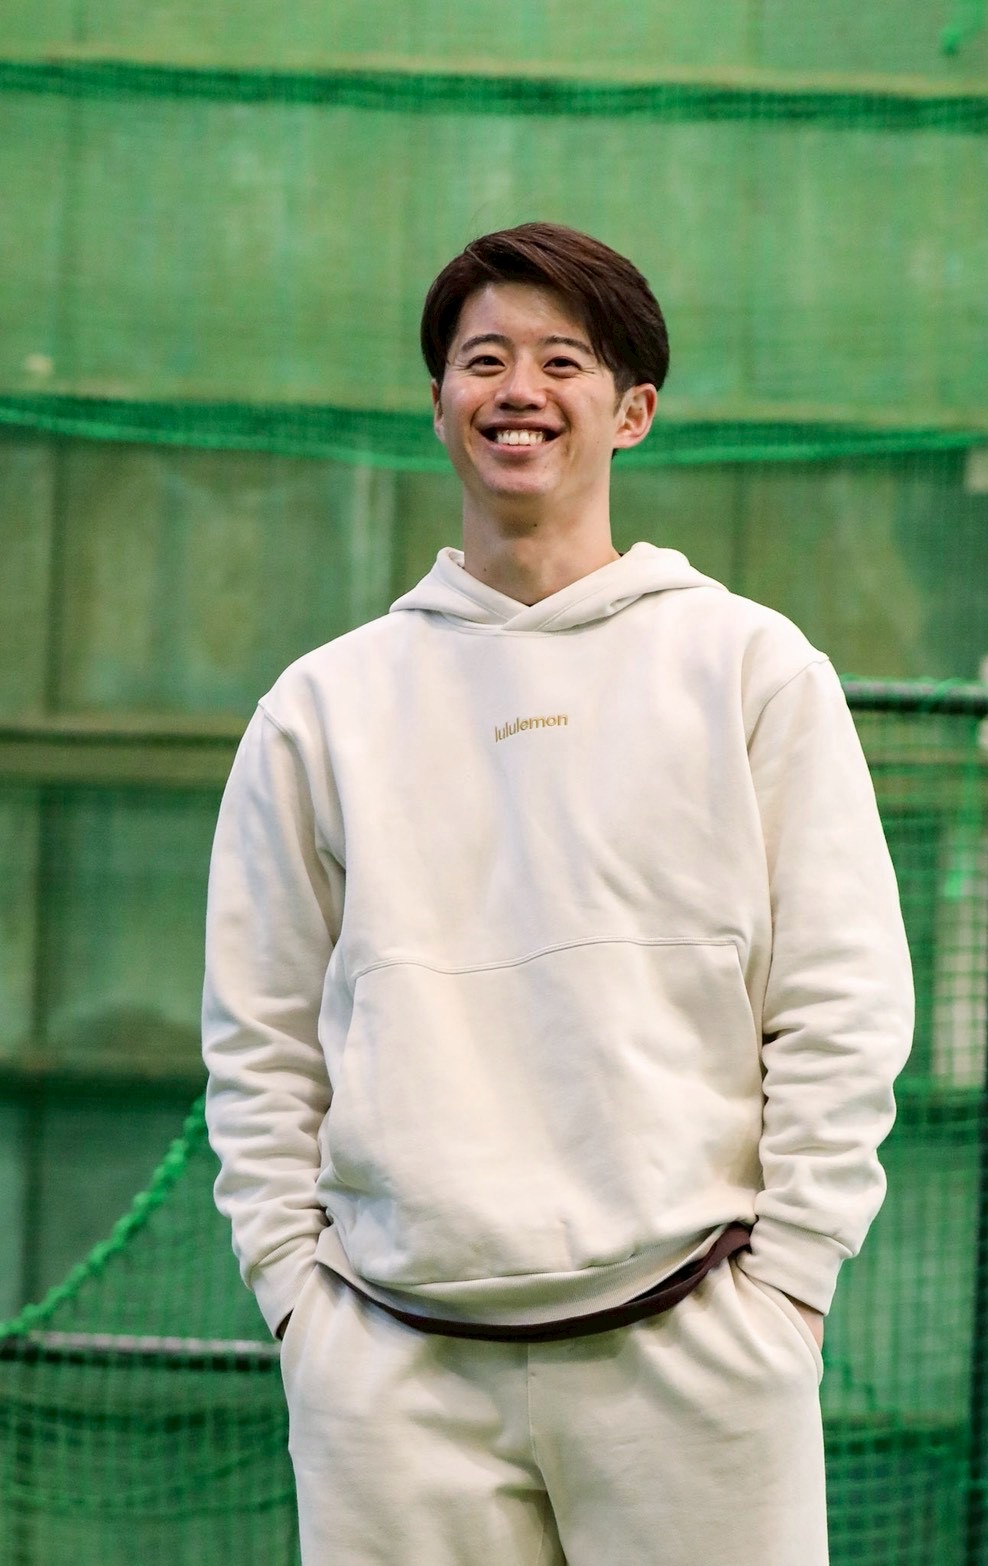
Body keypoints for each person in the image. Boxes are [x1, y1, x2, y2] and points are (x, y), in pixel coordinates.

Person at [202, 222, 914, 1566]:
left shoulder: (751, 668)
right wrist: (298, 1300)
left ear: (631, 410)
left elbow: (842, 998)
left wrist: (789, 1287)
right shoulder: (323, 705)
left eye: (561, 361)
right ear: (438, 405)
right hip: (390, 1368)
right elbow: (259, 1033)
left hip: (700, 1346)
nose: (516, 390)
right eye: (483, 360)